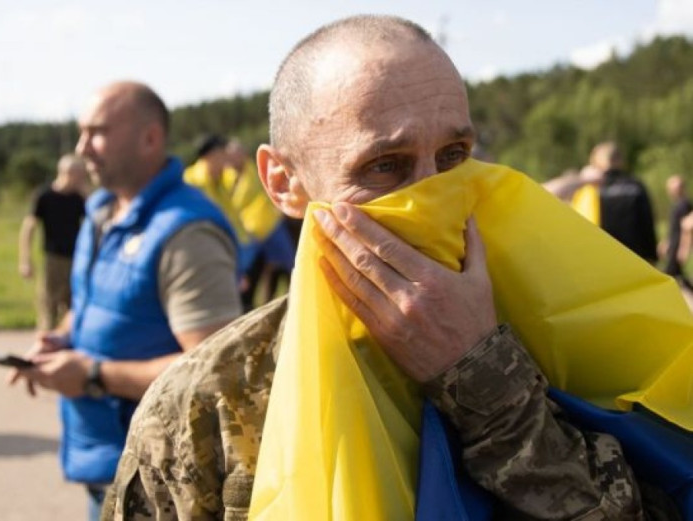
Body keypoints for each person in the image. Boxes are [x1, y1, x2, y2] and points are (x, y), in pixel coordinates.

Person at [103, 17, 673, 520]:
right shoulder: (208, 402)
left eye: (454, 157)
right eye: (385, 166)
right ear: (284, 183)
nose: (432, 195)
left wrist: (486, 381)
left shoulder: (568, 331)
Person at [8, 81, 242, 521]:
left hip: (159, 483)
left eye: (97, 132)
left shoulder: (186, 233)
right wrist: (61, 339)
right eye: (82, 132)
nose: (83, 147)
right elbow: (89, 304)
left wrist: (93, 375)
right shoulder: (100, 211)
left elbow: (213, 370)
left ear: (149, 138)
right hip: (106, 464)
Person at [222, 139, 296, 310]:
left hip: (270, 226)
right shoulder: (227, 177)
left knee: (289, 264)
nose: (234, 158)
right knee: (250, 272)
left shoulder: (255, 171)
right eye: (231, 155)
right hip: (250, 235)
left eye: (237, 154)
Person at [18, 153, 88, 331]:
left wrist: (86, 195)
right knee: (48, 306)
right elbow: (29, 227)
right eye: (79, 175)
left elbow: (94, 223)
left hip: (77, 259)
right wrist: (25, 260)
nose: (82, 179)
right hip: (53, 259)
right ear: (67, 173)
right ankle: (45, 341)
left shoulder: (79, 198)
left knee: (75, 307)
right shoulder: (45, 196)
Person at [572, 142, 658, 263]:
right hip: (635, 258)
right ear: (621, 161)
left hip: (600, 259)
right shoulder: (636, 186)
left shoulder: (589, 190)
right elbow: (647, 222)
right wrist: (651, 256)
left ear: (596, 163)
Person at [660, 175, 693, 290]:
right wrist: (666, 242)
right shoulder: (677, 204)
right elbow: (674, 229)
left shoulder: (684, 205)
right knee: (678, 275)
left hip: (678, 246)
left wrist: (684, 248)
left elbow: (687, 228)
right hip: (674, 244)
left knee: (669, 274)